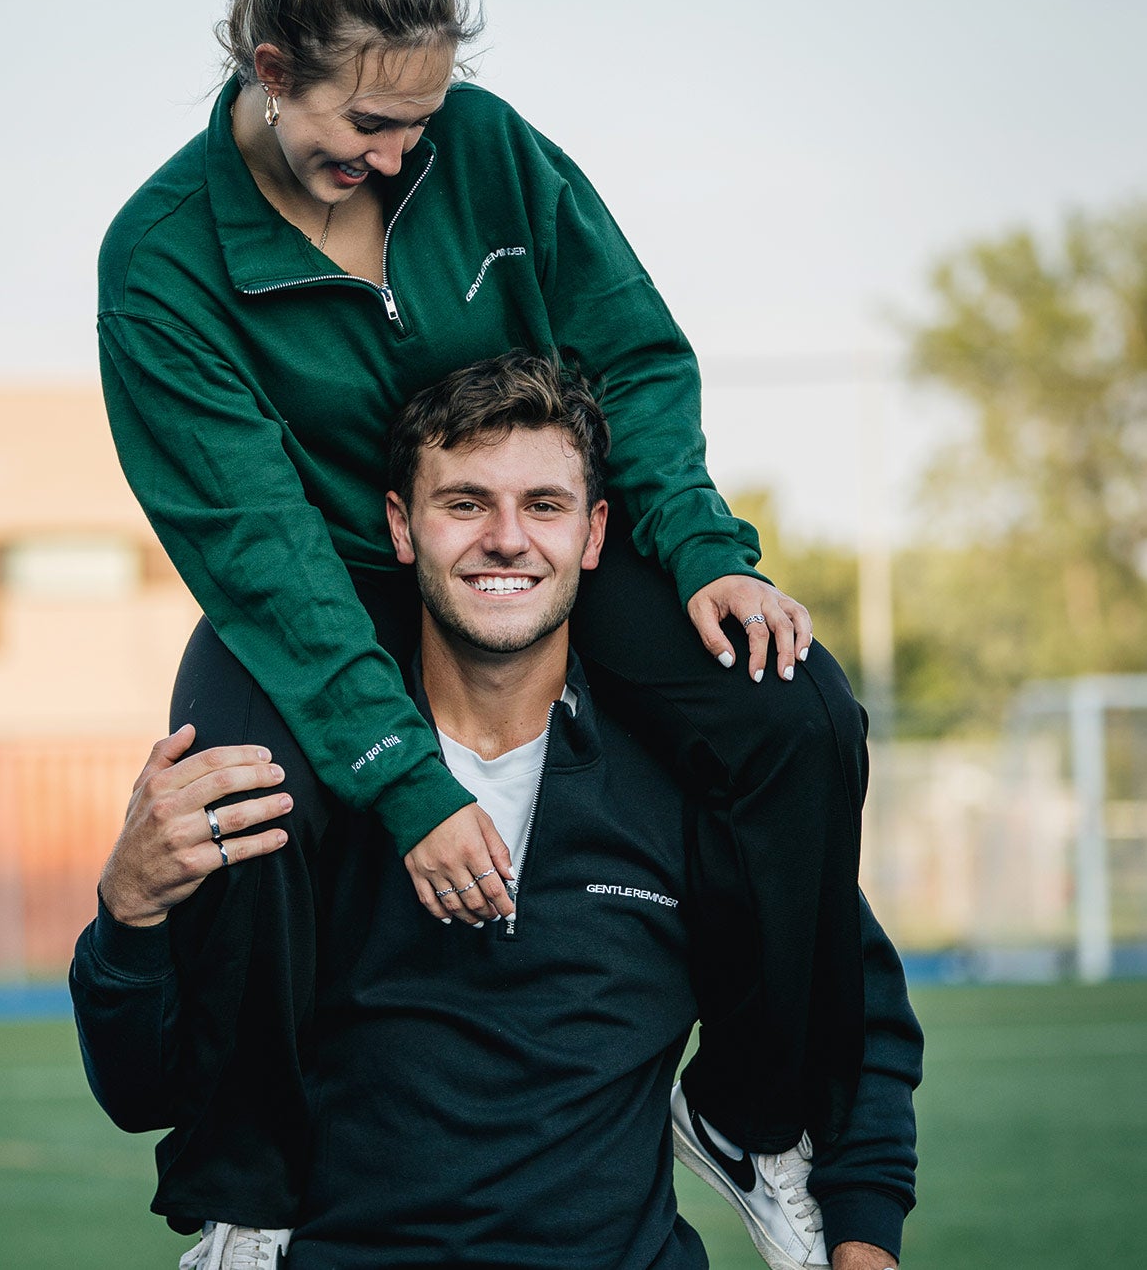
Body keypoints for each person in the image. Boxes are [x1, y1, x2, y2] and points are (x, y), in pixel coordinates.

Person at [97, 0, 870, 1251]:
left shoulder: (494, 148)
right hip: (327, 580)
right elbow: (260, 548)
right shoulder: (161, 263)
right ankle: (242, 1200)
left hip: (499, 543)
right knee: (243, 798)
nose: (398, 156)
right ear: (274, 67)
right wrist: (403, 784)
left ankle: (754, 1115)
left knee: (796, 716)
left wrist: (701, 550)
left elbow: (628, 354)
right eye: (368, 124)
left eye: (421, 120)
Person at [72, 354, 921, 1270]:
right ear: (402, 527)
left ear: (596, 534)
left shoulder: (689, 786)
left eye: (545, 506)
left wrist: (865, 1243)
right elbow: (142, 1090)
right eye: (465, 503)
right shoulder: (300, 789)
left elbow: (851, 1010)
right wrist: (128, 909)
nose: (508, 539)